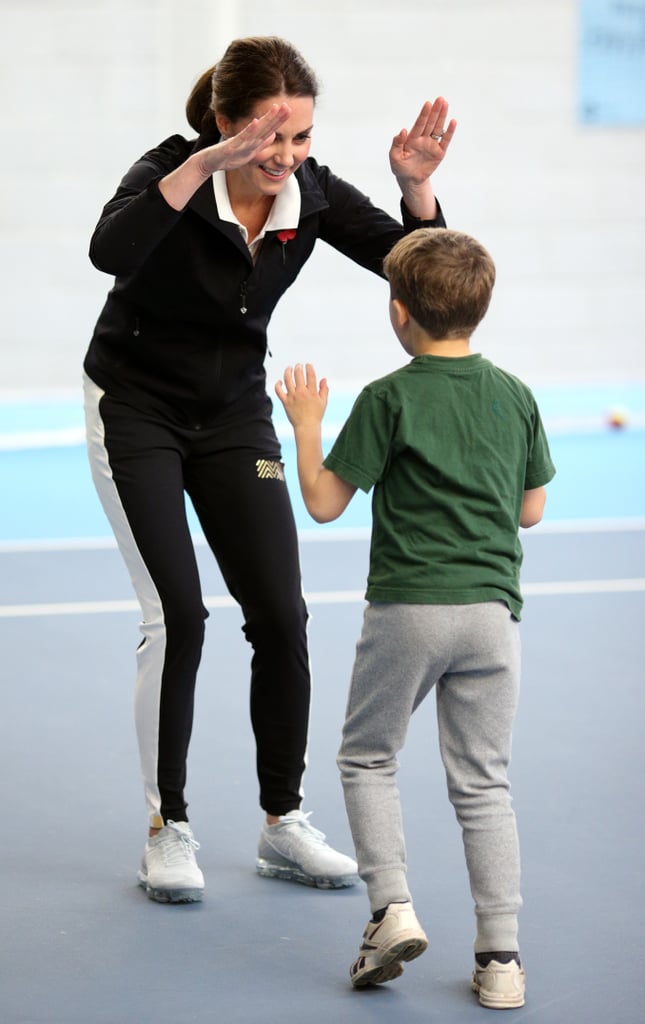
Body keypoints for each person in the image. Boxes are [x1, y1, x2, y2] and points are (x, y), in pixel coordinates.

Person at [82, 36, 456, 904]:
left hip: (233, 413)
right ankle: (165, 826)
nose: (285, 158)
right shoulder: (168, 173)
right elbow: (111, 250)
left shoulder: (310, 193)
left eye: (300, 139)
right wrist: (208, 162)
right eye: (268, 138)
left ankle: (282, 822)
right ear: (222, 123)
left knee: (282, 616)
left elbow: (427, 274)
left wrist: (415, 190)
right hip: (134, 406)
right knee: (178, 615)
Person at [275, 228, 556, 1008]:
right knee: (483, 785)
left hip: (408, 608)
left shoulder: (387, 398)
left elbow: (326, 504)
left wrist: (304, 424)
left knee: (367, 757)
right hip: (492, 617)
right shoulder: (516, 395)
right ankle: (500, 959)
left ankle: (390, 909)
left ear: (398, 313)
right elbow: (530, 511)